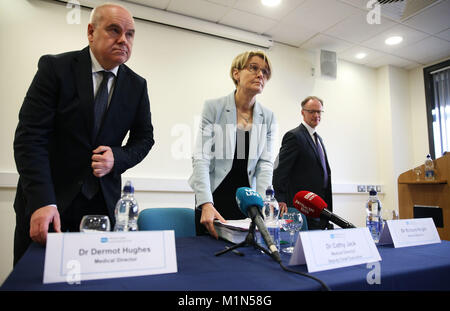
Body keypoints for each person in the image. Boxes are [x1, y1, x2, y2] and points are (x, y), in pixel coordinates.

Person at [13, 3, 154, 265]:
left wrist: (117, 157)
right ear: (91, 32)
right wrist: (42, 200)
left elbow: (145, 138)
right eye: (114, 30)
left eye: (130, 34)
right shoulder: (55, 69)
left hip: (101, 207)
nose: (123, 39)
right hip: (48, 202)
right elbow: (30, 138)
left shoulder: (137, 86)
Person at [189, 51, 284, 238]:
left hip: (247, 202)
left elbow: (264, 164)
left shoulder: (269, 117)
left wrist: (261, 204)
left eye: (265, 72)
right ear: (236, 73)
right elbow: (201, 158)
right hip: (214, 198)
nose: (260, 75)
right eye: (254, 68)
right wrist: (206, 203)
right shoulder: (213, 108)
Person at [273, 96, 333, 230]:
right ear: (303, 112)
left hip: (319, 206)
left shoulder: (319, 139)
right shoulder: (294, 136)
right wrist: (280, 199)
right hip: (301, 206)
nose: (316, 115)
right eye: (312, 111)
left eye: (319, 112)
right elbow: (280, 170)